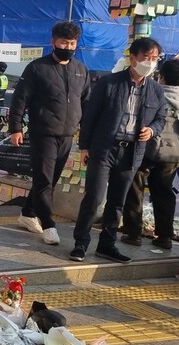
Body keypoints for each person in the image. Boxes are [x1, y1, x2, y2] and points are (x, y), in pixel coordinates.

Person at [70, 37, 167, 263]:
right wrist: (84, 146)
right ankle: (80, 244)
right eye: (146, 57)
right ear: (132, 57)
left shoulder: (155, 90)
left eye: (154, 59)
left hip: (132, 151)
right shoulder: (110, 83)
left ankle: (107, 244)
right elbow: (90, 116)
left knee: (117, 201)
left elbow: (161, 118)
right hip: (104, 148)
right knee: (93, 197)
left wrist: (152, 130)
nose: (150, 63)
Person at [8, 21, 91, 245]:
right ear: (53, 42)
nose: (68, 46)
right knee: (44, 179)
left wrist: (87, 138)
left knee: (50, 179)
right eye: (64, 42)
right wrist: (15, 128)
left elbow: (86, 104)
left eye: (72, 43)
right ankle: (49, 225)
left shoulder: (81, 70)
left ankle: (27, 213)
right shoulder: (37, 68)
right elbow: (20, 100)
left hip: (67, 135)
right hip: (42, 132)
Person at [121, 57, 179, 250]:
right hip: (172, 152)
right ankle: (164, 236)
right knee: (164, 192)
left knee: (135, 188)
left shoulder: (153, 91)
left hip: (146, 146)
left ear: (161, 76)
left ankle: (133, 232)